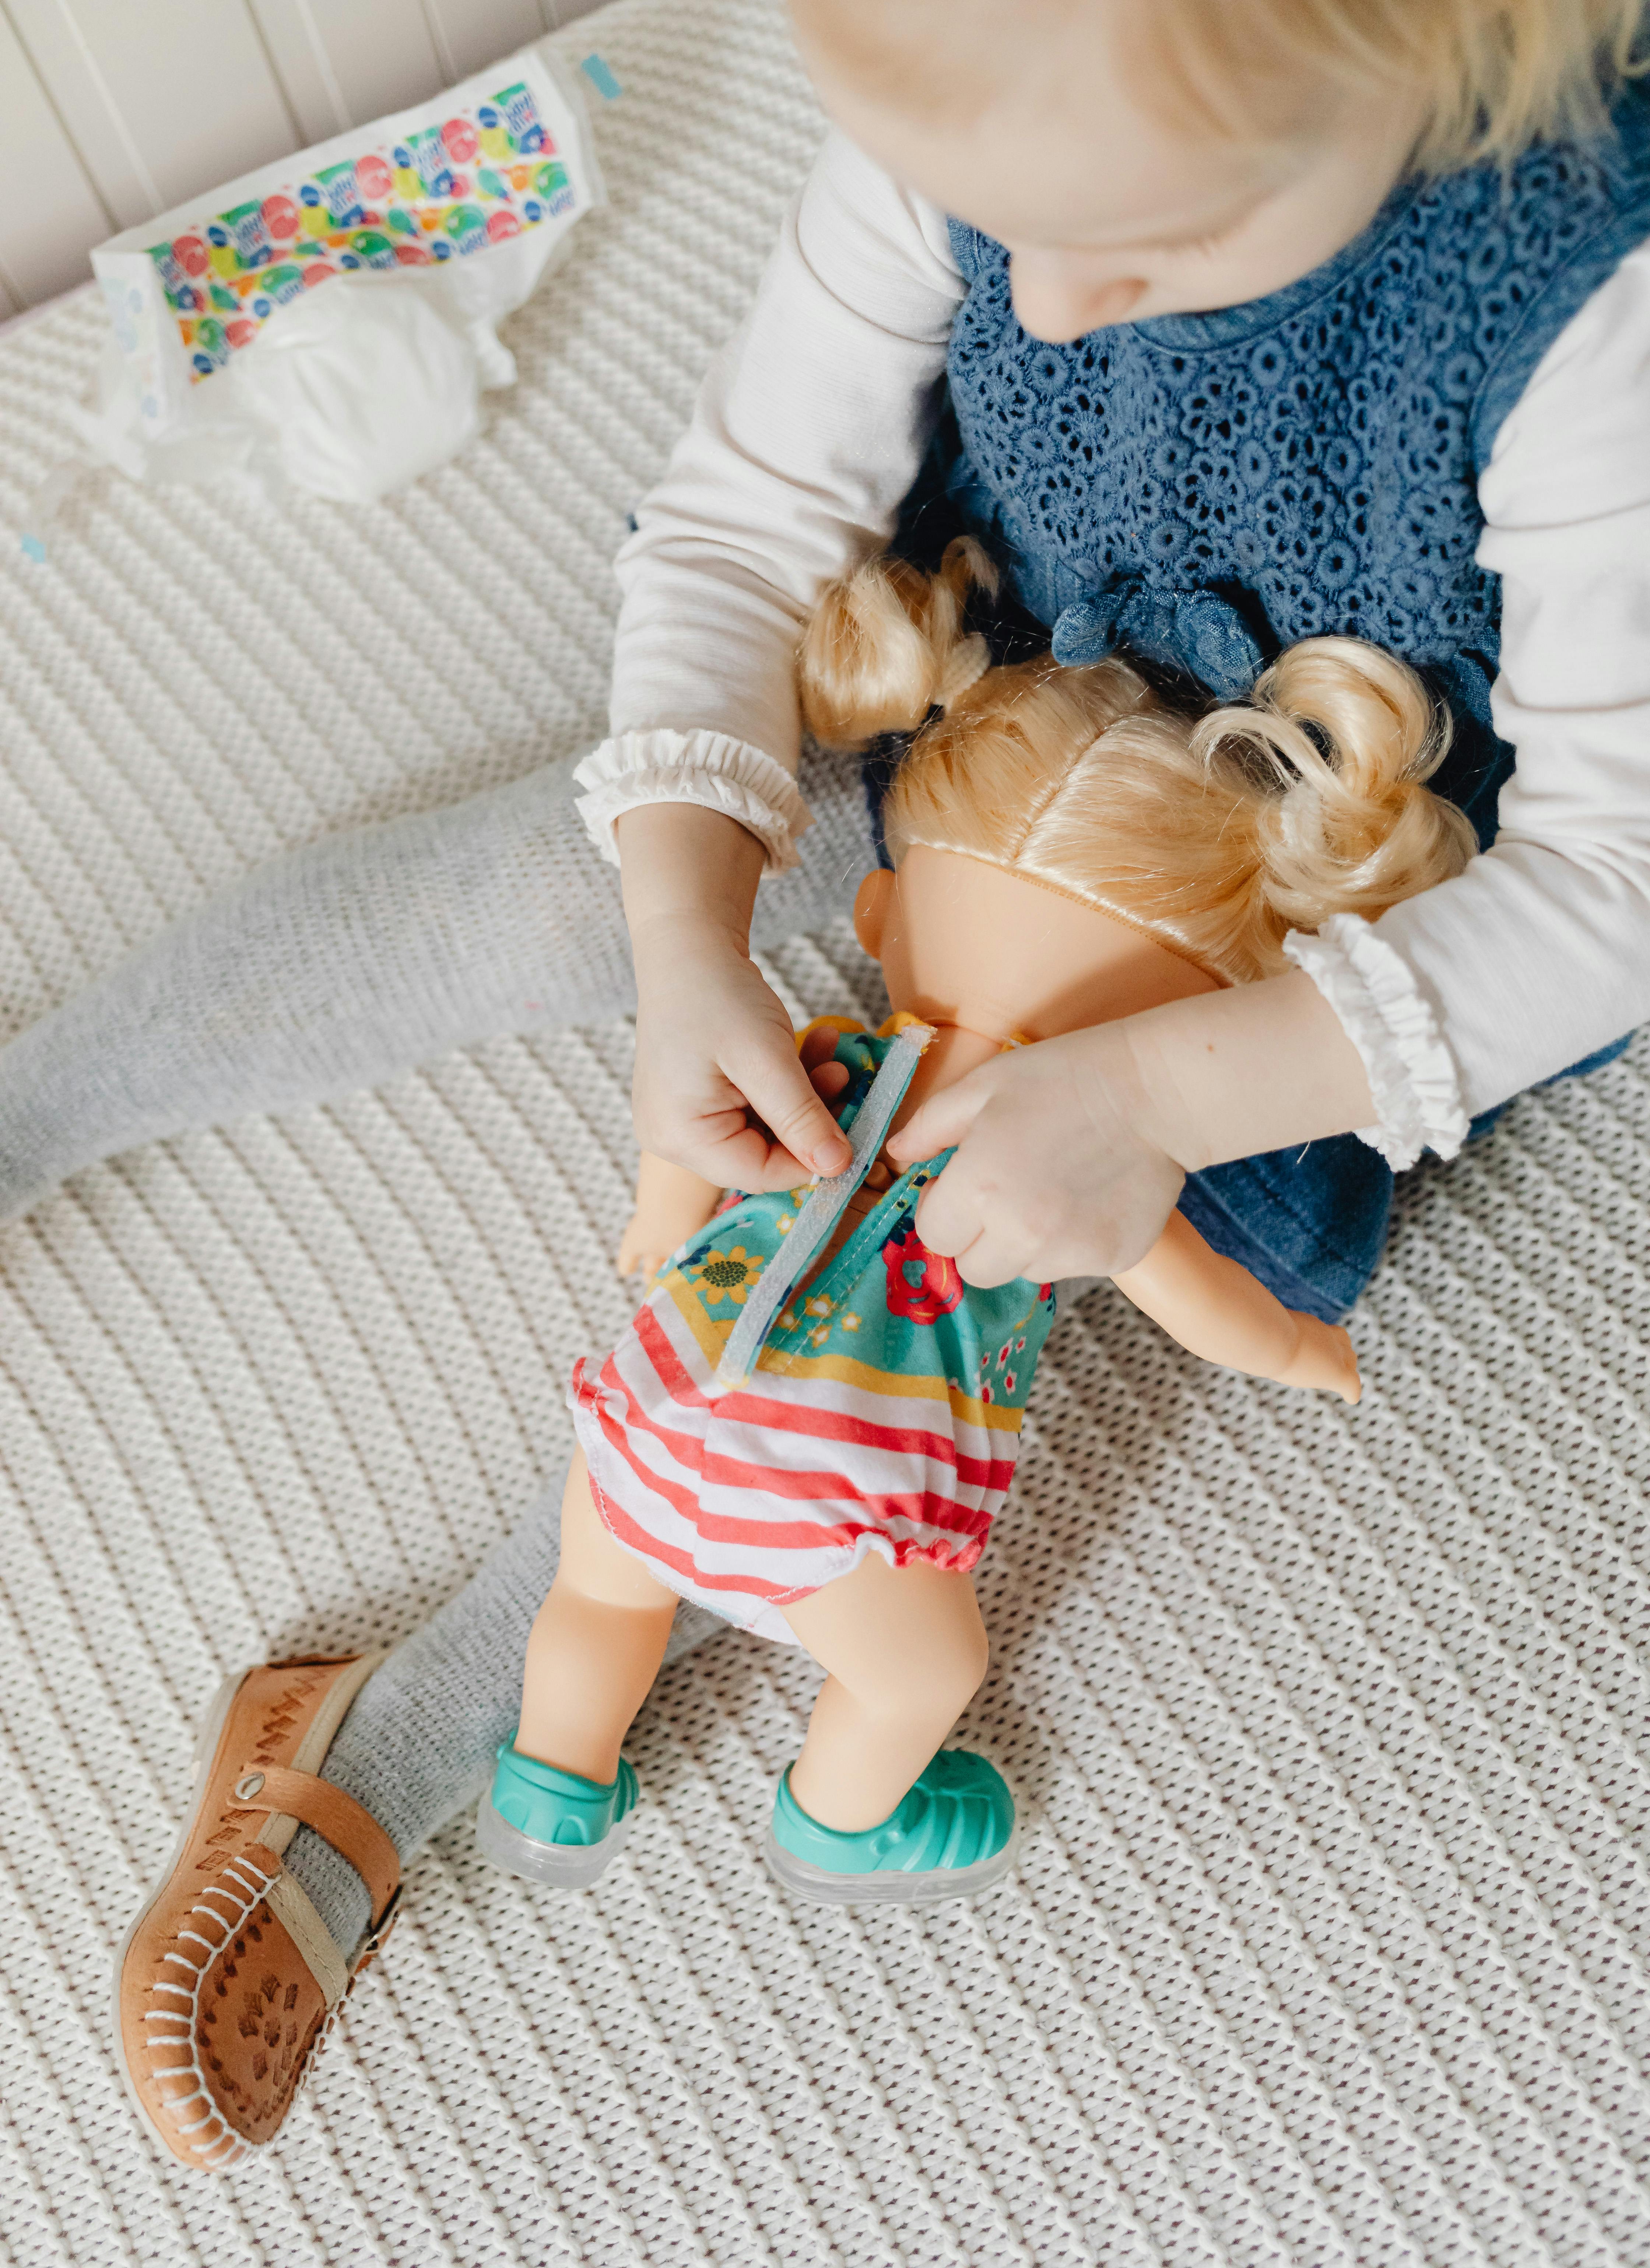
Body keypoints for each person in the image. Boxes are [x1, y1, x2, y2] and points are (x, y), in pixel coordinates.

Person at [112, 0, 1650, 2167]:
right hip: (969, 699)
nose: (1031, 308)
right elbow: (740, 523)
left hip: (1282, 900)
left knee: (844, 1384)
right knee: (563, 886)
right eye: (985, 213)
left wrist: (1167, 1109)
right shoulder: (996, 51)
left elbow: (1614, 888)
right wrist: (677, 935)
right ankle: (50, 1097)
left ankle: (402, 1753)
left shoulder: (1585, 286)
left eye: (1137, 239)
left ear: (1438, 41)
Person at [478, 550, 1473, 1914]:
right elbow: (1198, 1303)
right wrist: (1297, 1351)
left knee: (599, 1603)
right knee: (923, 1675)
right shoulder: (1088, 1166)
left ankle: (554, 1780)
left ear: (878, 911)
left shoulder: (821, 1051)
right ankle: (837, 1826)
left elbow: (690, 1128)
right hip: (836, 1522)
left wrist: (661, 1223)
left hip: (655, 1419)